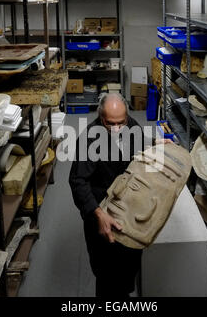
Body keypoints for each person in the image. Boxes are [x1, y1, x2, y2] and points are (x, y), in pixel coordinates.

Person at [69, 93, 149, 297]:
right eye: (110, 123)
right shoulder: (89, 138)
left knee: (128, 266)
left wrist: (157, 146)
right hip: (101, 211)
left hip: (126, 209)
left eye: (121, 123)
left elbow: (139, 151)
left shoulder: (132, 126)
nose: (116, 129)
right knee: (106, 275)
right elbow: (78, 181)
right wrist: (98, 213)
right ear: (100, 117)